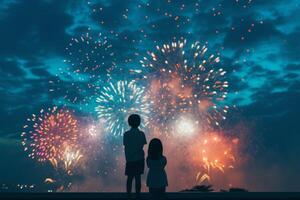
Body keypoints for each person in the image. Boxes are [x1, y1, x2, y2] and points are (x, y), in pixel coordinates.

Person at [123, 114, 147, 198]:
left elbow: (125, 145)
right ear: (139, 123)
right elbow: (142, 145)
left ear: (129, 123)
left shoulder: (126, 134)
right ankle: (138, 195)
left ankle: (128, 195)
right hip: (139, 158)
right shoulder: (141, 134)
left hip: (129, 159)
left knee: (129, 178)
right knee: (138, 177)